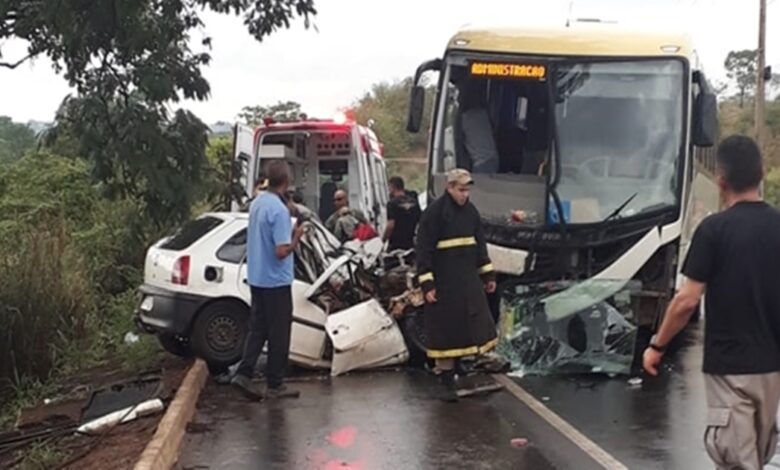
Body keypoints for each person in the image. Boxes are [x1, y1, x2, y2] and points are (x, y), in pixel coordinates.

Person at [643, 135, 780, 470]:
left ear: (720, 181)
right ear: (761, 173)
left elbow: (687, 301)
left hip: (730, 368)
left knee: (736, 462)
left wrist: (657, 345)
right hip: (771, 369)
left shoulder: (714, 230)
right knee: (754, 459)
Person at [415, 168, 497, 402]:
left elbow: (480, 245)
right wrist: (427, 284)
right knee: (446, 333)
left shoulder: (471, 212)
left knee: (471, 327)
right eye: (461, 190)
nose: (465, 195)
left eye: (467, 190)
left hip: (468, 282)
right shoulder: (434, 214)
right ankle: (446, 380)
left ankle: (460, 366)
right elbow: (424, 251)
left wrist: (488, 276)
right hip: (445, 284)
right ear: (449, 188)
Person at [231, 160, 304, 400]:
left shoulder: (258, 203)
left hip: (257, 277)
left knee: (258, 328)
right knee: (279, 332)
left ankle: (244, 373)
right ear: (286, 180)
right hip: (276, 281)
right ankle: (275, 384)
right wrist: (296, 238)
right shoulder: (279, 211)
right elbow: (281, 251)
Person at [459, 80, 500, 173]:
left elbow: (459, 140)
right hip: (494, 159)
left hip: (481, 163)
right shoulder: (483, 113)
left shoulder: (464, 118)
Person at [382, 176, 421, 251]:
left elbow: (390, 225)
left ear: (392, 187)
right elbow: (420, 221)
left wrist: (383, 240)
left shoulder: (392, 203)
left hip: (396, 245)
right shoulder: (414, 202)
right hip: (410, 244)